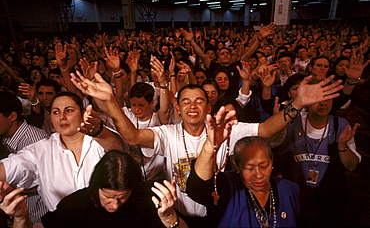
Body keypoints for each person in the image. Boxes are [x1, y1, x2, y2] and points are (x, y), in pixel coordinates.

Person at [70, 70, 342, 227]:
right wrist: (110, 102)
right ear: (177, 107)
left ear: (207, 107)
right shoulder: (168, 133)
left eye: (199, 101)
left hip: (220, 214)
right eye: (186, 101)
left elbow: (267, 130)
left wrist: (297, 104)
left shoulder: (227, 129)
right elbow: (131, 137)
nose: (192, 106)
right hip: (180, 215)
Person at [0, 91, 124, 214]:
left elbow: (117, 149)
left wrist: (98, 131)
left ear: (82, 113)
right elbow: (8, 168)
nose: (62, 117)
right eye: (56, 112)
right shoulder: (41, 150)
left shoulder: (100, 139)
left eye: (69, 110)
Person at [0, 151, 187, 228]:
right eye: (108, 196)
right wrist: (20, 217)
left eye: (122, 197)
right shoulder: (76, 204)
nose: (114, 205)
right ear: (96, 186)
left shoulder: (148, 200)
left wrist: (170, 217)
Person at [186, 114, 300, 227]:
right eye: (249, 168)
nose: (259, 175)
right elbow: (198, 188)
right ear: (237, 166)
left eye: (264, 166)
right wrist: (210, 146)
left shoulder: (289, 190)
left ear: (272, 162)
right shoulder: (228, 186)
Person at [275, 96, 361, 227]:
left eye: (328, 99)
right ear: (307, 102)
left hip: (328, 201)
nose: (323, 104)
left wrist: (342, 146)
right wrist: (278, 127)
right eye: (317, 99)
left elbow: (351, 165)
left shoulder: (341, 125)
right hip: (294, 198)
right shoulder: (292, 122)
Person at [0, 91, 49, 226]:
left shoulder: (35, 140)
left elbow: (47, 183)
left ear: (12, 116)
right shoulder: (7, 137)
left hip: (40, 217)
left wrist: (11, 190)